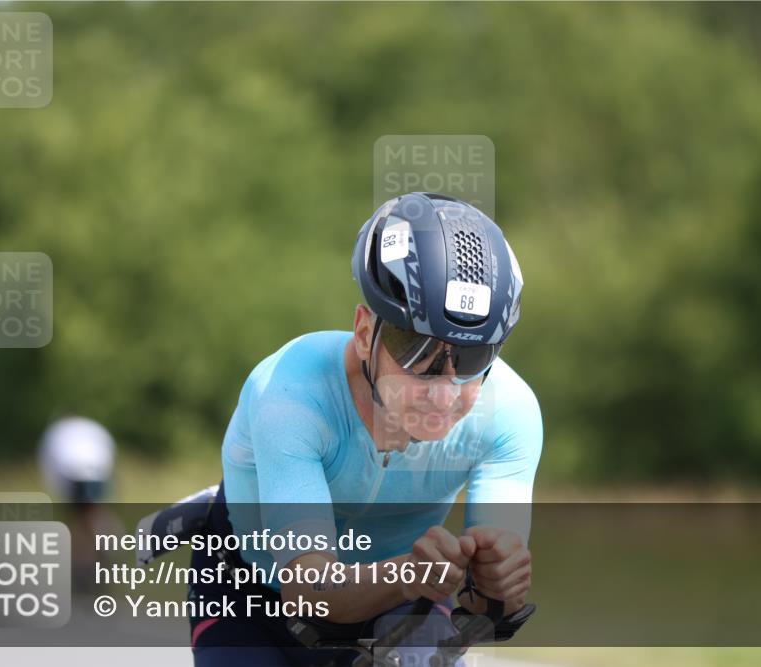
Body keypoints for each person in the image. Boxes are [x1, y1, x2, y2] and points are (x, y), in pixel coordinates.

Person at [190, 192, 542, 665]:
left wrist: (496, 587)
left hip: (394, 599)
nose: (443, 393)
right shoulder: (291, 394)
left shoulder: (510, 412)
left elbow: (487, 610)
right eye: (416, 351)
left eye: (473, 358)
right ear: (363, 332)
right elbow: (309, 593)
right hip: (256, 588)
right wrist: (408, 575)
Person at [38, 415, 117, 592]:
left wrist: (59, 493)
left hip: (73, 475)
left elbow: (49, 464)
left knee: (81, 520)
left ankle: (88, 565)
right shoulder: (91, 427)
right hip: (98, 473)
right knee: (94, 515)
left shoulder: (57, 432)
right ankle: (100, 557)